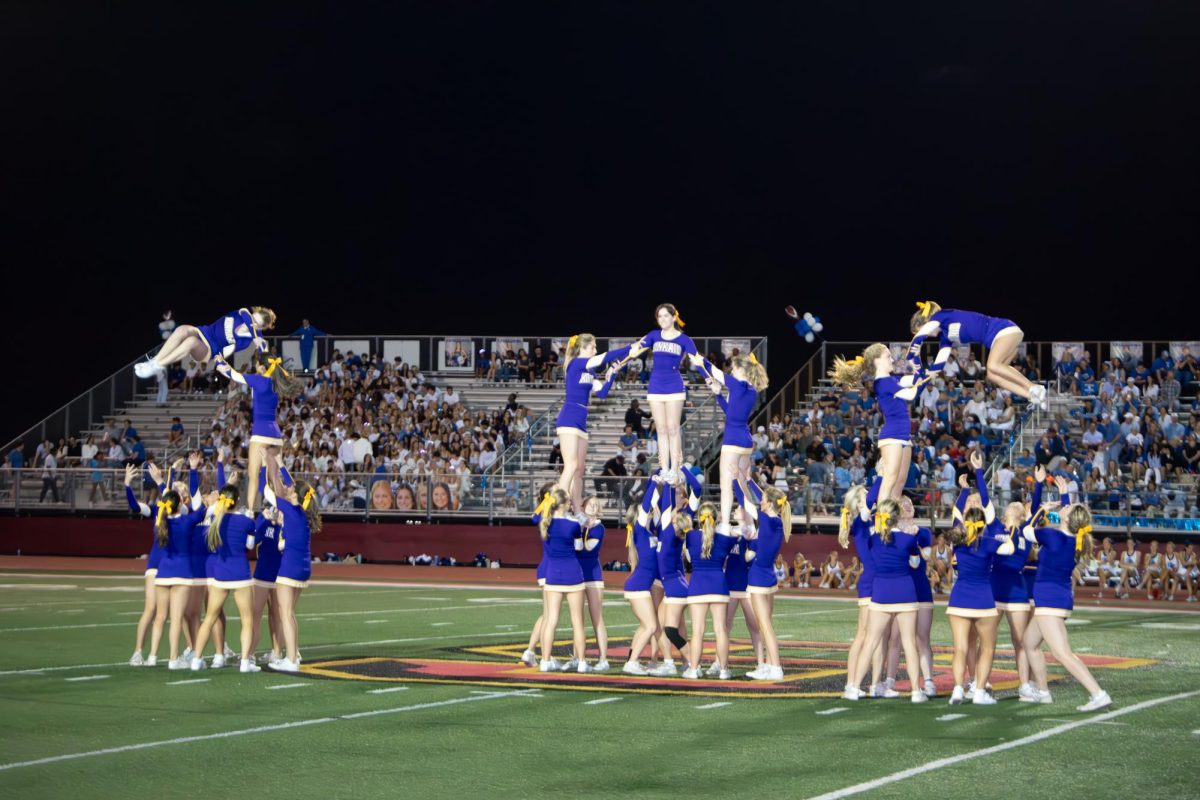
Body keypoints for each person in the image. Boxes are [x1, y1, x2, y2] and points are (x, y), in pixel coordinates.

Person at [1021, 495, 1112, 710]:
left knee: (1062, 653)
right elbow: (1067, 523)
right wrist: (1063, 497)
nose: (1066, 506)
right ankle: (1043, 692)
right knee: (1029, 643)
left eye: (1068, 507)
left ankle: (1098, 693)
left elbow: (1026, 530)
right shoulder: (1073, 540)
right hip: (1055, 598)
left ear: (1067, 518)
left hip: (1049, 599)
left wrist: (1042, 509)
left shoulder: (1053, 536)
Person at [945, 451, 1015, 706]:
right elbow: (988, 508)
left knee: (960, 648)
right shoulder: (988, 536)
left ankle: (957, 689)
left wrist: (964, 489)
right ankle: (979, 692)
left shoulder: (958, 533)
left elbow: (956, 510)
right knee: (987, 647)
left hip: (960, 594)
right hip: (984, 595)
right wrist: (978, 471)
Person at [844, 498, 928, 702]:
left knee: (870, 642)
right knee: (908, 643)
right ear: (897, 516)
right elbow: (916, 563)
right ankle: (916, 691)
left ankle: (854, 687)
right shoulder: (909, 540)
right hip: (905, 593)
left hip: (881, 592)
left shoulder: (873, 539)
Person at [829, 344, 928, 500]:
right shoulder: (881, 383)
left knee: (900, 483)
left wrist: (917, 359)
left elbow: (918, 378)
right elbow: (911, 394)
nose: (892, 359)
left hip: (904, 436)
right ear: (876, 361)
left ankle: (893, 518)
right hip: (892, 435)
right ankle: (882, 519)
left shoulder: (893, 379)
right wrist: (927, 376)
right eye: (888, 356)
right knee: (890, 480)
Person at [907, 301, 1045, 407]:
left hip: (1003, 330)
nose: (927, 336)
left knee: (992, 365)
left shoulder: (941, 316)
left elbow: (923, 333)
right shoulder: (945, 336)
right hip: (1000, 338)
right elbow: (939, 362)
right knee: (992, 375)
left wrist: (912, 353)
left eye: (921, 331)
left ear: (927, 321)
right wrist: (924, 378)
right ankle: (1031, 395)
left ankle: (1034, 387)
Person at [188, 483, 260, 673]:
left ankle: (197, 659)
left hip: (220, 574)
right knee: (247, 620)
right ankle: (245, 662)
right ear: (237, 501)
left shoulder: (215, 518)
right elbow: (250, 546)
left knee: (209, 618)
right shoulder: (246, 521)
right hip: (241, 573)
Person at [215, 353, 301, 512]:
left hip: (260, 433)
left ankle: (250, 512)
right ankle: (283, 512)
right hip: (276, 435)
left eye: (256, 364)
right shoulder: (276, 382)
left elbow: (232, 374)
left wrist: (220, 362)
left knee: (253, 476)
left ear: (262, 367)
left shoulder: (258, 380)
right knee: (275, 477)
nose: (254, 366)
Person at [694, 353, 770, 530]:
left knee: (726, 486)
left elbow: (716, 373)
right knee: (742, 484)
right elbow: (731, 413)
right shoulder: (750, 389)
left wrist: (701, 361)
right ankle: (751, 525)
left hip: (733, 439)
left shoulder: (739, 384)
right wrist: (718, 395)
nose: (732, 371)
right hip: (745, 439)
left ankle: (725, 525)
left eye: (734, 368)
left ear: (742, 369)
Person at [555, 334, 627, 511]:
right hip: (569, 416)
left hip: (581, 420)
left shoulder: (590, 370)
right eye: (593, 347)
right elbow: (605, 357)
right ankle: (558, 507)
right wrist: (630, 348)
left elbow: (601, 393)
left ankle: (578, 510)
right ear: (582, 348)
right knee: (570, 465)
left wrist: (611, 375)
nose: (595, 350)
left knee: (579, 469)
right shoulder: (577, 363)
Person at [263, 451, 320, 672]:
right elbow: (292, 484)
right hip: (303, 567)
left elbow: (265, 491)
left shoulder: (291, 509)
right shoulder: (302, 513)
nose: (286, 490)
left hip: (290, 567)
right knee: (289, 613)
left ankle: (291, 660)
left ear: (295, 496)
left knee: (285, 613)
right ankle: (293, 653)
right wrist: (279, 463)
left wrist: (263, 469)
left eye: (289, 490)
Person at [993, 465, 1046, 700]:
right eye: (1011, 506)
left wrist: (1039, 484)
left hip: (1017, 592)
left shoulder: (1025, 531)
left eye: (1019, 507)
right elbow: (984, 503)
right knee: (988, 640)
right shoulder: (995, 528)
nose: (1015, 506)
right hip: (994, 591)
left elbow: (1036, 510)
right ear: (1005, 513)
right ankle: (979, 683)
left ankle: (1024, 685)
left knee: (1021, 641)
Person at [639, 304, 699, 479]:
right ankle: (664, 468)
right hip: (655, 386)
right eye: (660, 316)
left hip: (674, 386)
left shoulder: (684, 339)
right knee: (661, 429)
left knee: (673, 428)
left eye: (666, 316)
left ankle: (676, 468)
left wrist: (710, 378)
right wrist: (618, 362)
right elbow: (634, 349)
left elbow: (699, 361)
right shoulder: (653, 335)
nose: (663, 319)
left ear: (674, 317)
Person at [740, 483, 792, 681]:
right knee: (765, 625)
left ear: (769, 504)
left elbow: (745, 501)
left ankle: (776, 667)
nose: (760, 502)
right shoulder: (777, 520)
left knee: (764, 625)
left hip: (759, 577)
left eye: (763, 500)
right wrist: (749, 479)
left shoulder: (767, 520)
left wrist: (738, 481)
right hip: (768, 576)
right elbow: (762, 496)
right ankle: (770, 665)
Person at [135, 307, 275, 378]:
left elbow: (224, 353)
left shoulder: (245, 341)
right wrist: (256, 331)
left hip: (210, 350)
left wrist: (260, 344)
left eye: (256, 323)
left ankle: (159, 365)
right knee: (182, 329)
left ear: (261, 327)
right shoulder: (242, 313)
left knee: (190, 341)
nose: (250, 322)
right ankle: (154, 363)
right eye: (252, 318)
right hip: (206, 332)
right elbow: (246, 313)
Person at [682, 502, 737, 680]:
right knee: (720, 630)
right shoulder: (724, 539)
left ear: (699, 518)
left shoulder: (690, 537)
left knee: (697, 632)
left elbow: (688, 556)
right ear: (716, 518)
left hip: (697, 585)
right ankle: (723, 670)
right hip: (718, 585)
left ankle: (694, 669)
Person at [537, 488, 589, 673]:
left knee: (551, 620)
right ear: (566, 504)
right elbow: (579, 547)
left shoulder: (545, 523)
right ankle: (582, 662)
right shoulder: (573, 524)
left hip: (553, 575)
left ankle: (545, 660)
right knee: (577, 622)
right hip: (573, 574)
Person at [621, 487, 664, 675]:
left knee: (645, 626)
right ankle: (631, 662)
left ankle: (632, 658)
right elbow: (647, 505)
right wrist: (653, 483)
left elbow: (657, 511)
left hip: (642, 586)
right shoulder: (639, 530)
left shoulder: (649, 532)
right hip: (638, 586)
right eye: (643, 514)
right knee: (652, 626)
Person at [578, 495, 610, 670]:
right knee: (578, 620)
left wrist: (578, 529)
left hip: (592, 575)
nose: (593, 506)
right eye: (590, 504)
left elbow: (586, 547)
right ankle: (578, 656)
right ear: (583, 506)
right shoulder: (578, 524)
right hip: (576, 574)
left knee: (597, 619)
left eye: (596, 505)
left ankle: (603, 659)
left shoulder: (599, 527)